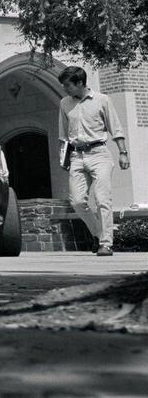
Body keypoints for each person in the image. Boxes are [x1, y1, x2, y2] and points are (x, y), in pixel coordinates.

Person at [58, 66, 129, 257]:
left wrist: (123, 152)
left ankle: (106, 244)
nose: (64, 88)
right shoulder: (64, 103)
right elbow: (63, 135)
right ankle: (98, 233)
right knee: (77, 201)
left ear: (80, 83)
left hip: (99, 154)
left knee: (102, 199)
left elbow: (116, 127)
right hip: (76, 156)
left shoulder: (102, 100)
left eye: (67, 85)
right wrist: (63, 158)